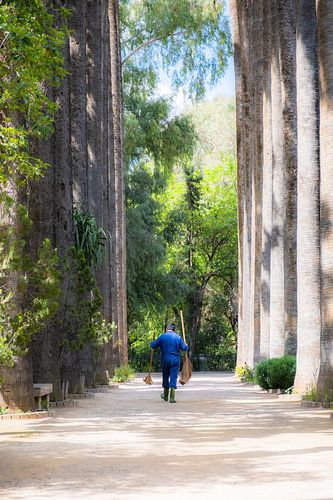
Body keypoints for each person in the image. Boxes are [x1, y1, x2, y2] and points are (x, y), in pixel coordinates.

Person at [150, 322, 188, 403]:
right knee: (173, 377)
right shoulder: (178, 337)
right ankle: (172, 398)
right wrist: (186, 345)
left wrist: (152, 342)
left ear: (167, 329)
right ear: (174, 330)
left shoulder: (162, 336)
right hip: (175, 360)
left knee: (165, 376)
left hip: (165, 360)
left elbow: (153, 346)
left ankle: (165, 396)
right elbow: (184, 348)